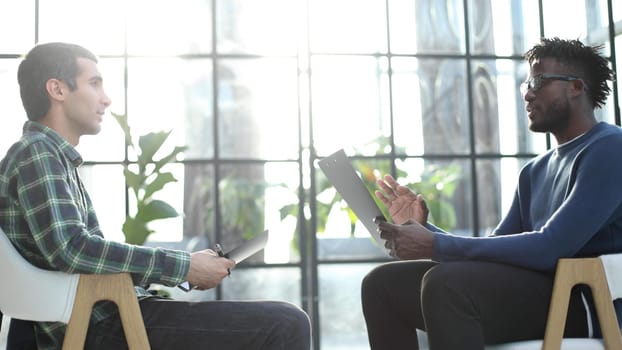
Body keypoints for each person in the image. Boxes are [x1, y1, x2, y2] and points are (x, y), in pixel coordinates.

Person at [0, 42, 311, 350]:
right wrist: (184, 267)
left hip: (102, 314)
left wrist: (183, 268)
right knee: (285, 322)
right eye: (94, 84)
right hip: (94, 324)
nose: (106, 99)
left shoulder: (49, 156)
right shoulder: (37, 153)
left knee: (280, 321)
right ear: (57, 90)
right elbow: (73, 250)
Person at [361, 37, 621, 349]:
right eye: (526, 83)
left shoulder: (609, 148)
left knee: (447, 285)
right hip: (538, 295)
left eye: (539, 81)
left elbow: (552, 246)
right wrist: (425, 229)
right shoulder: (533, 171)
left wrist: (434, 244)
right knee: (382, 284)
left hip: (585, 301)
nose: (527, 93)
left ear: (576, 87)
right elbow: (495, 248)